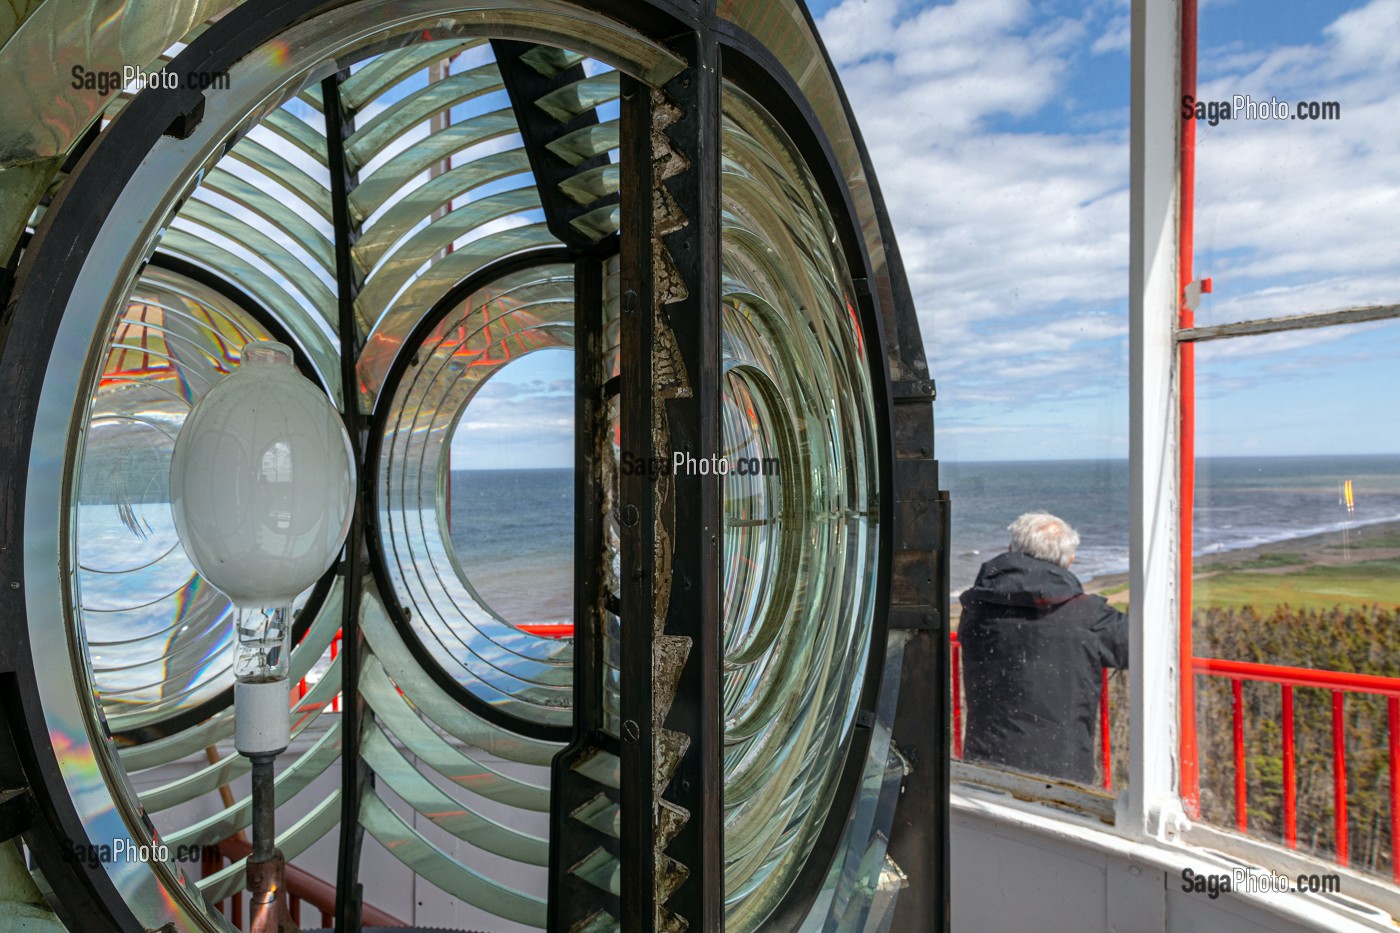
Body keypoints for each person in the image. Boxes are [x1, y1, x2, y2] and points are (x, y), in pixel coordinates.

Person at [958, 511, 1128, 784]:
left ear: (1011, 550)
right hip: (1060, 773)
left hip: (985, 762)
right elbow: (1138, 646)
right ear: (1069, 562)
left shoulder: (977, 607)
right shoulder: (1088, 617)